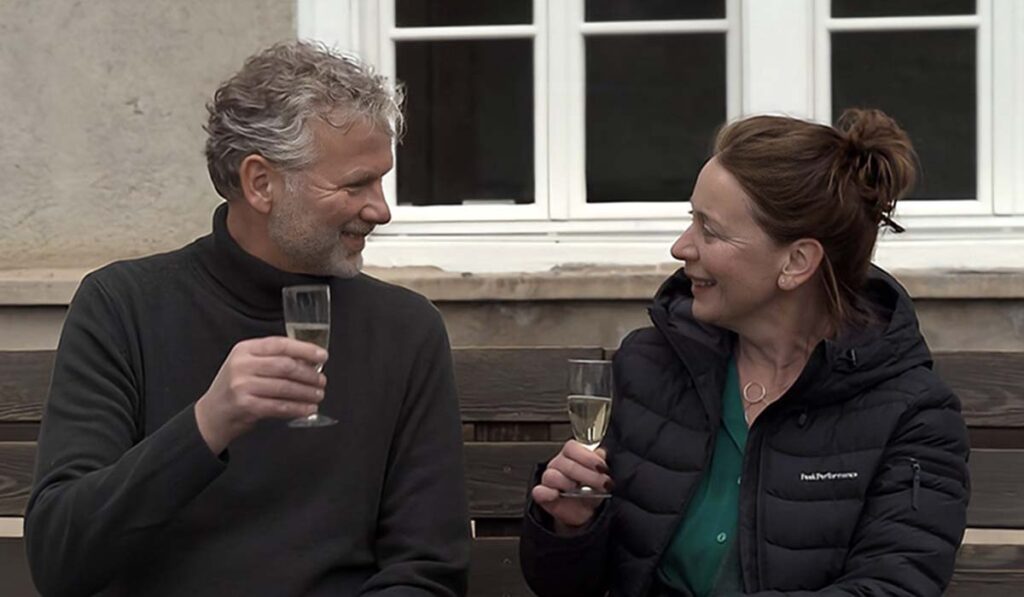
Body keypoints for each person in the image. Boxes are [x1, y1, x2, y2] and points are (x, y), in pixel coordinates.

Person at [25, 41, 469, 596]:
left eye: (381, 181)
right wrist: (208, 423)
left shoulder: (405, 330)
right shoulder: (123, 306)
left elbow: (426, 569)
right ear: (261, 183)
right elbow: (61, 561)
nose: (380, 210)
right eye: (355, 184)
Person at [520, 109, 970, 596]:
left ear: (796, 262)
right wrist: (572, 526)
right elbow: (565, 585)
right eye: (689, 220)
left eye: (709, 231)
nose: (680, 247)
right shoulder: (651, 366)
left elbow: (894, 587)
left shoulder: (912, 413)